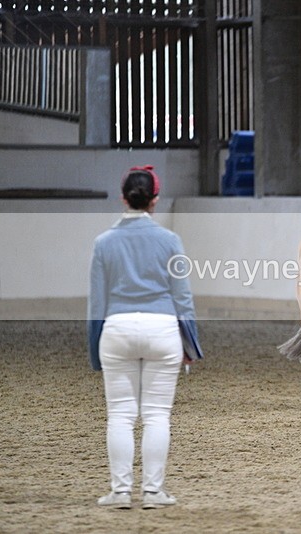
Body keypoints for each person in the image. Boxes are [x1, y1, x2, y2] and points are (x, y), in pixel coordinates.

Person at [87, 165, 203, 510]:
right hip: (162, 329)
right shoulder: (170, 241)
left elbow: (97, 302)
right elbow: (183, 297)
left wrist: (94, 350)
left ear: (123, 198)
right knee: (156, 415)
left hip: (118, 329)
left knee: (120, 415)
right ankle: (153, 492)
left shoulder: (103, 243)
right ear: (155, 200)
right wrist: (190, 343)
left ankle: (121, 492)